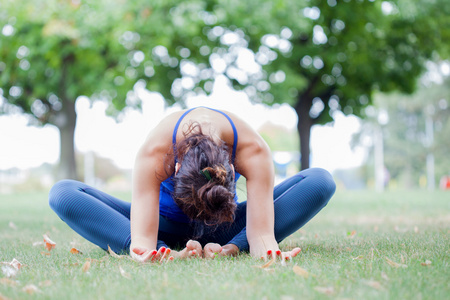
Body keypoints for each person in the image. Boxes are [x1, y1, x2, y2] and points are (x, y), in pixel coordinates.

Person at [49, 106, 336, 263]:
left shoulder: (254, 151)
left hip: (227, 228)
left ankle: (229, 247)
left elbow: (261, 234)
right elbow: (141, 240)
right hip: (160, 225)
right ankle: (170, 248)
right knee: (64, 193)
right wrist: (156, 251)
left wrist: (241, 247)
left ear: (232, 167)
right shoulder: (154, 152)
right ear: (175, 168)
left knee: (320, 180)